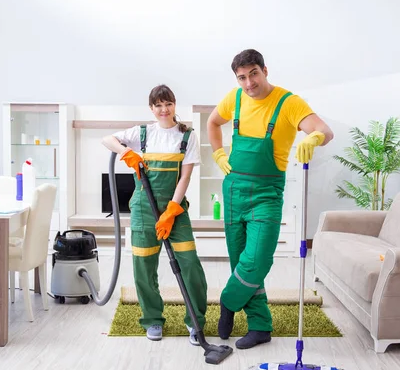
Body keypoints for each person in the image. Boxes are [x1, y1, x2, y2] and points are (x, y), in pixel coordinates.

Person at [207, 49, 334, 349]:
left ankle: (227, 301)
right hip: (234, 189)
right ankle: (260, 326)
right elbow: (213, 123)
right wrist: (218, 153)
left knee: (257, 260)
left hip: (267, 194)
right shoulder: (234, 98)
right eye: (242, 77)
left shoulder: (288, 102)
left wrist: (313, 138)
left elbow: (324, 130)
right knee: (240, 261)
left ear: (265, 70)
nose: (249, 83)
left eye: (254, 74)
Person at [102, 84, 208, 346]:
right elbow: (107, 139)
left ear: (174, 105)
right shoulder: (142, 133)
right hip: (142, 210)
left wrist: (172, 210)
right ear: (152, 108)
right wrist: (127, 152)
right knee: (144, 267)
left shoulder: (187, 136)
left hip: (175, 210)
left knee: (190, 264)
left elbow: (185, 176)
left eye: (168, 104)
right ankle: (152, 320)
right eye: (158, 105)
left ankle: (195, 321)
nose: (164, 110)